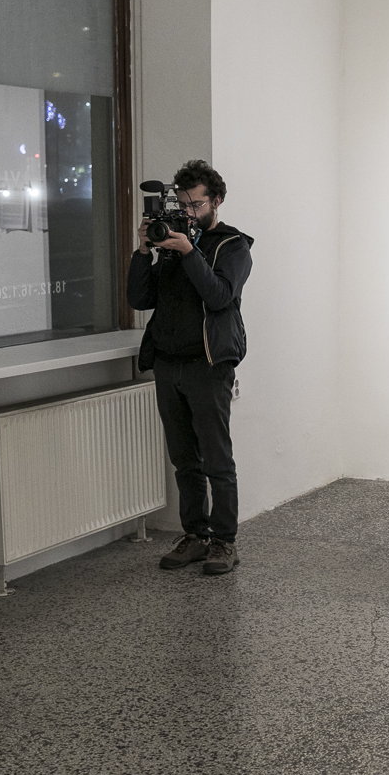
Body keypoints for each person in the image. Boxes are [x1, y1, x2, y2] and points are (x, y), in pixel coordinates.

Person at [128, 159, 253, 576]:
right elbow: (139, 299)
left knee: (217, 460)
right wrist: (144, 251)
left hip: (208, 365)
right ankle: (195, 536)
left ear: (216, 201)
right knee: (184, 460)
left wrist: (188, 251)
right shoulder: (170, 243)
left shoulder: (231, 245)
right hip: (168, 363)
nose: (188, 212)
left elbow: (219, 297)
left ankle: (224, 542)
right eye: (182, 205)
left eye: (196, 205)